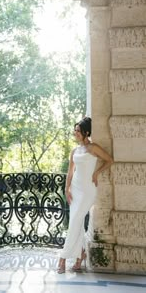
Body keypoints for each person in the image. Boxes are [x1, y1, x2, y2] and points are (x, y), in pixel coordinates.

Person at [57, 116, 113, 273]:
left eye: (78, 131)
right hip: (74, 189)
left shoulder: (93, 148)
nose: (75, 133)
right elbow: (70, 172)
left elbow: (109, 160)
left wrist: (96, 173)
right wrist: (66, 189)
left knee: (74, 222)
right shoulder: (74, 150)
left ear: (86, 132)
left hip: (87, 190)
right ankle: (80, 255)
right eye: (75, 131)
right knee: (77, 223)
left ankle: (62, 259)